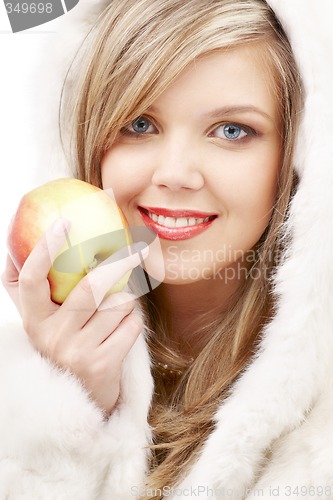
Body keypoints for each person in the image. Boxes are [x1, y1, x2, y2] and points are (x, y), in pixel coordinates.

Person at [1, 0, 333, 498]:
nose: (175, 173)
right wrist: (70, 412)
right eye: (139, 124)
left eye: (232, 130)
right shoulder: (17, 389)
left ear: (297, 158)